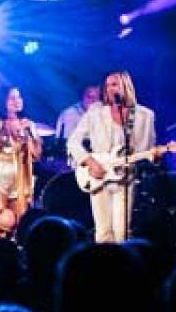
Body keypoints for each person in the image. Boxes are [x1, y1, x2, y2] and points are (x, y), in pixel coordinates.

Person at [66, 71, 156, 243]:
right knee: (103, 232)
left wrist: (154, 155)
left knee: (122, 232)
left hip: (126, 179)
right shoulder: (95, 112)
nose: (109, 89)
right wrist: (90, 162)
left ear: (126, 86)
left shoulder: (145, 116)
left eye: (114, 84)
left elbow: (147, 150)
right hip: (98, 176)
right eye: (107, 85)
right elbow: (73, 142)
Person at [0, 49, 42, 239]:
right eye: (12, 97)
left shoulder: (29, 124)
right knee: (1, 222)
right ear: (3, 101)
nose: (16, 101)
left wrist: (29, 137)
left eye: (19, 97)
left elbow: (37, 155)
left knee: (19, 226)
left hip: (20, 177)